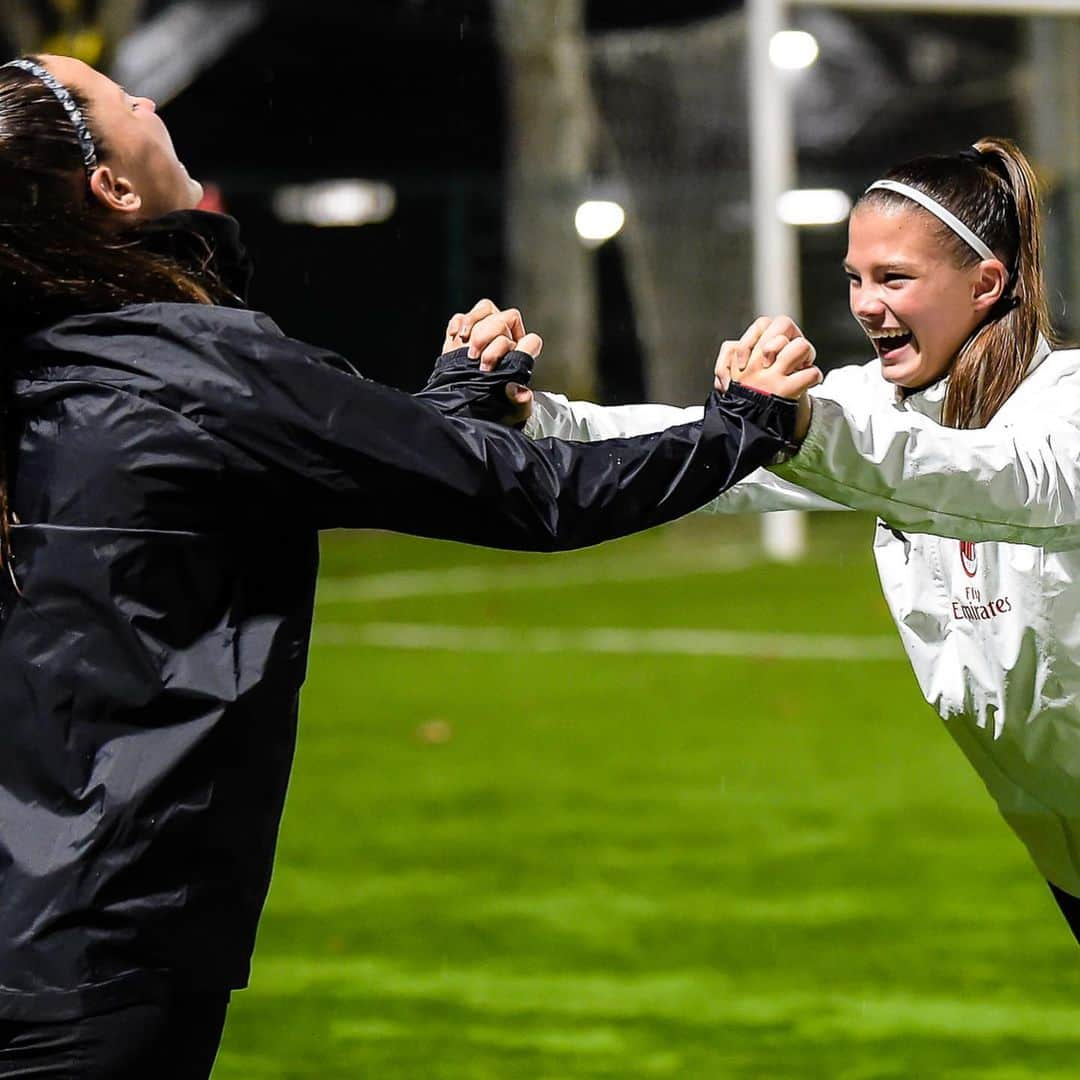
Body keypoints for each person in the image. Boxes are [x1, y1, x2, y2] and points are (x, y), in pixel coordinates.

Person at [0, 54, 822, 1078]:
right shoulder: (194, 368)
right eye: (126, 104)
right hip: (102, 944)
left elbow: (317, 462)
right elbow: (530, 496)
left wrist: (446, 410)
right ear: (111, 189)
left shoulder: (57, 364)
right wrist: (739, 429)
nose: (152, 102)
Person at [458, 137, 1080, 945]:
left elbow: (1002, 480)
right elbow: (682, 442)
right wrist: (529, 414)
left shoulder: (1063, 400)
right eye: (854, 278)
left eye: (895, 278)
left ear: (986, 283)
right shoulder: (878, 406)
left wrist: (798, 427)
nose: (864, 303)